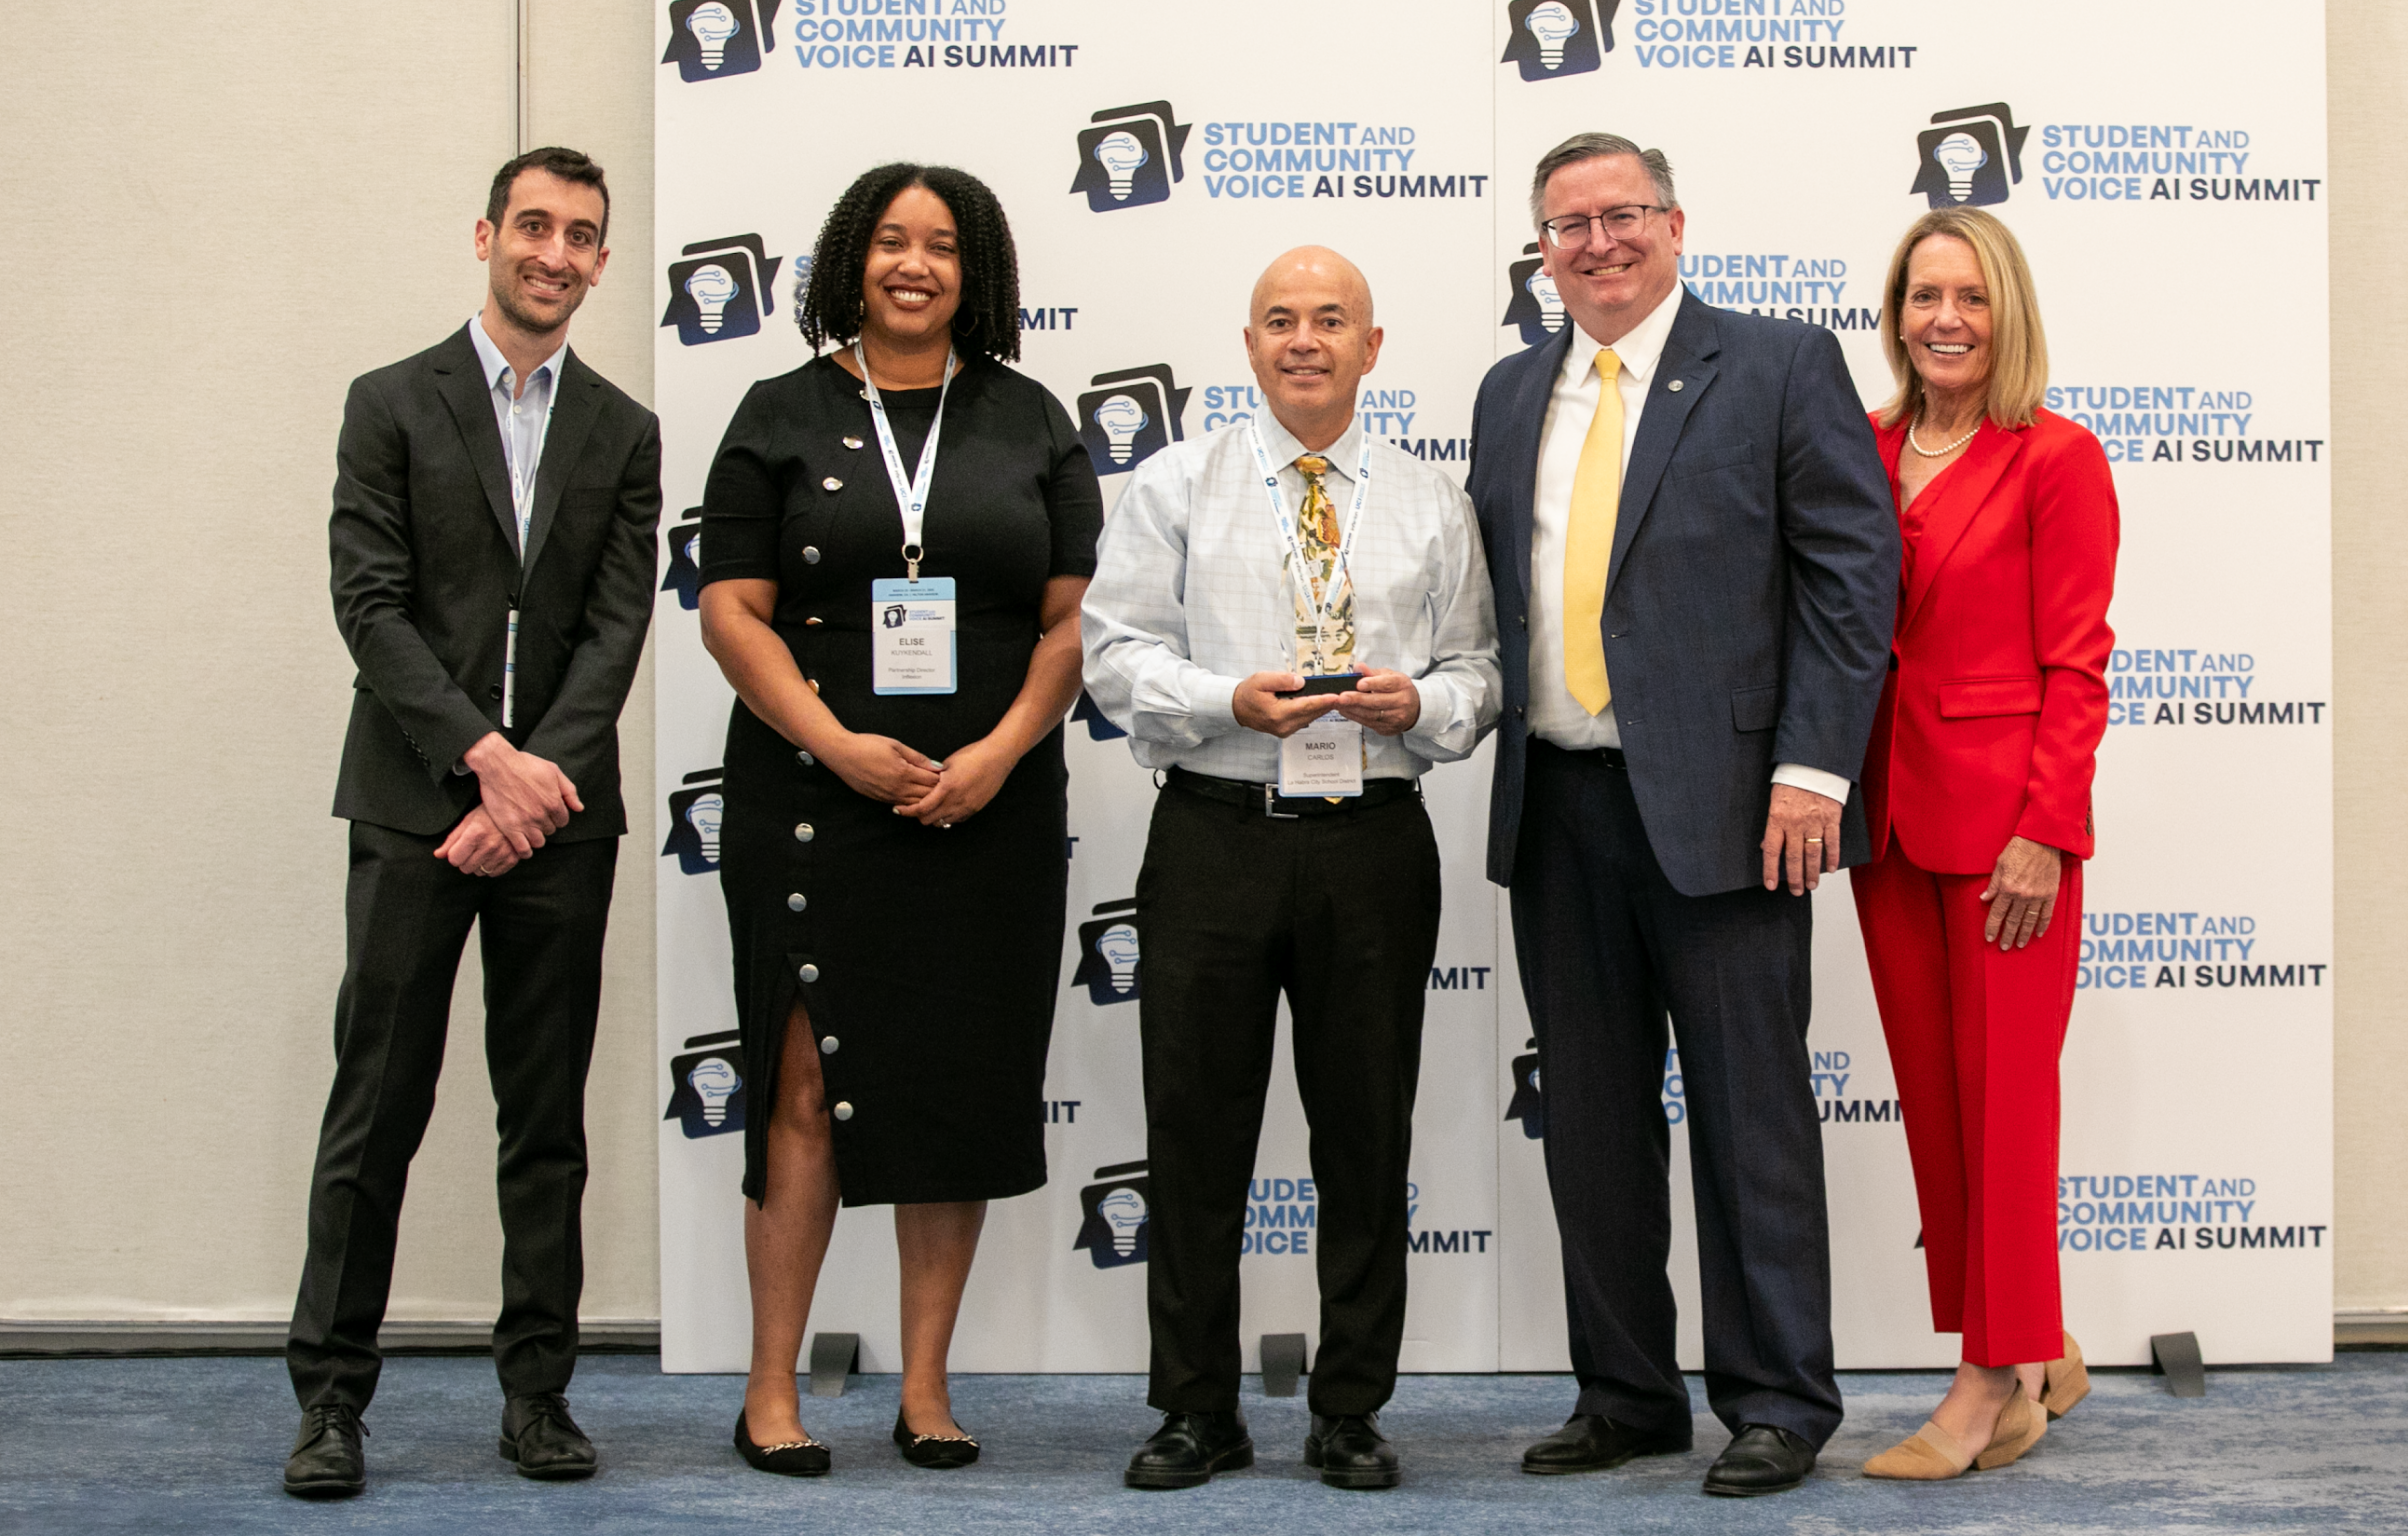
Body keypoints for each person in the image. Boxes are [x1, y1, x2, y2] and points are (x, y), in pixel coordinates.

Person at [1465, 134, 1898, 1497]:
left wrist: (1813, 769)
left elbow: (1852, 578)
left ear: (1674, 221)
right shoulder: (1508, 391)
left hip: (1736, 811)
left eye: (1622, 214)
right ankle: (1625, 1393)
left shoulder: (1778, 364)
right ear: (1542, 251)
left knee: (1750, 1115)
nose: (1597, 242)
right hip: (1558, 806)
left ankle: (1776, 1398)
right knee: (1592, 1124)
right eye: (1567, 225)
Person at [695, 163, 1101, 1476]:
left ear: (974, 272)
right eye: (888, 241)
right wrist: (833, 744)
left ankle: (926, 1385)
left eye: (940, 245)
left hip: (987, 802)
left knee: (954, 1085)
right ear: (848, 261)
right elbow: (729, 609)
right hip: (813, 796)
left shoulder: (1030, 418)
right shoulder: (777, 413)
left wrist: (994, 753)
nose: (913, 264)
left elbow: (1070, 622)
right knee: (804, 1085)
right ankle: (770, 1387)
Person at [1082, 247, 1498, 1493]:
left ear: (1373, 347)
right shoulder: (1175, 483)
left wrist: (1419, 702)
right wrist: (1227, 699)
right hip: (1214, 832)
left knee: (1365, 1135)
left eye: (1329, 319)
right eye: (1279, 320)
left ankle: (1350, 1408)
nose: (1303, 340)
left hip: (1372, 841)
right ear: (1249, 344)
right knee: (1193, 1132)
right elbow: (1114, 656)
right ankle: (1194, 1407)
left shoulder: (1431, 501)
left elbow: (1479, 672)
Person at [284, 148, 660, 1497]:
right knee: (374, 1108)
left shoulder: (624, 429)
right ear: (487, 235)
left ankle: (538, 1396)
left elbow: (617, 625)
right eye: (535, 226)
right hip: (413, 807)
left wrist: (535, 780)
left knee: (544, 1120)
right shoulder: (389, 401)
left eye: (582, 235)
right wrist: (484, 760)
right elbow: (369, 604)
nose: (556, 253)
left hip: (560, 819)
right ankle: (331, 1401)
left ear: (601, 262)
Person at [1851, 208, 2116, 1480]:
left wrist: (2044, 832)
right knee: (1939, 1111)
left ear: (2006, 313)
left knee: (2004, 1114)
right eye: (1922, 295)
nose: (1944, 319)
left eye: (1969, 296)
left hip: (2007, 836)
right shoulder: (1863, 446)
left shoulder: (2056, 457)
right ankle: (2032, 1341)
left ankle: (1987, 1387)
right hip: (1887, 827)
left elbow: (2078, 664)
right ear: (1895, 314)